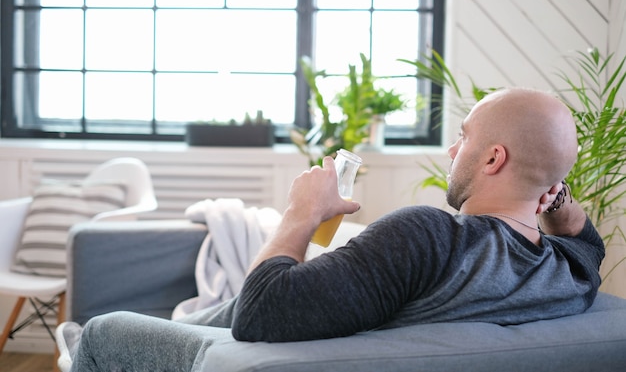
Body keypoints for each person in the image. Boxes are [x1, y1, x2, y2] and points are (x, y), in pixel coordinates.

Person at [56, 87, 604, 371]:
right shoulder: (565, 274)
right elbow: (586, 245)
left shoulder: (432, 236)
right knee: (211, 314)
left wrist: (302, 211)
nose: (452, 150)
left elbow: (261, 313)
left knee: (106, 329)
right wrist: (553, 201)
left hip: (257, 341)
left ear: (492, 160)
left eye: (464, 137)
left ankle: (87, 345)